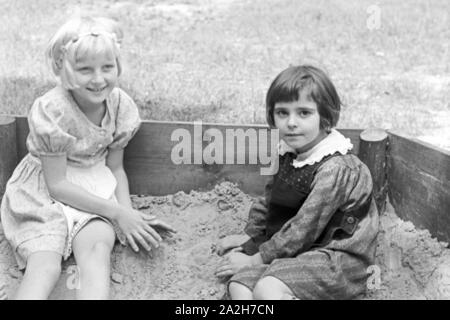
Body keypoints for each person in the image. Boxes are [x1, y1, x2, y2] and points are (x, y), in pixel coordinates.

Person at [0, 16, 175, 300]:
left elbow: (115, 167)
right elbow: (57, 185)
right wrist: (116, 212)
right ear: (62, 68)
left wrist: (126, 213)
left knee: (97, 250)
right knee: (45, 264)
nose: (98, 79)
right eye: (85, 69)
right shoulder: (53, 110)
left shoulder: (119, 105)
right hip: (44, 191)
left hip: (93, 185)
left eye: (107, 67)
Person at [215, 65, 379, 300]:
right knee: (239, 285)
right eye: (283, 113)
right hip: (298, 253)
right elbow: (271, 201)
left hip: (336, 258)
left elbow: (304, 228)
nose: (291, 122)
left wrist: (254, 259)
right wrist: (252, 237)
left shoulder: (336, 168)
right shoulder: (289, 152)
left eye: (304, 113)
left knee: (267, 288)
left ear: (326, 117)